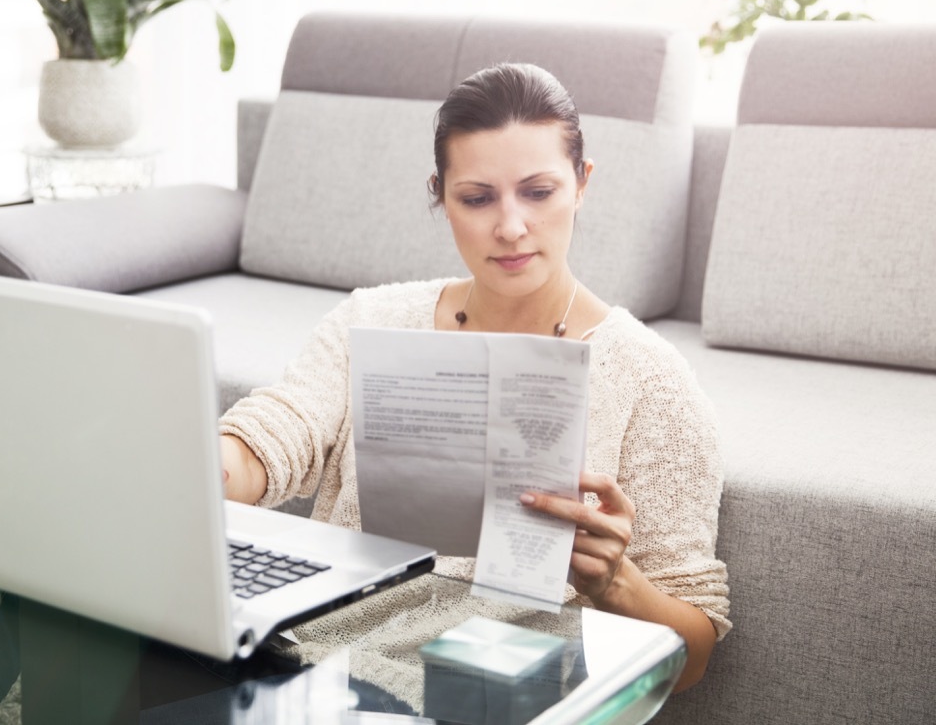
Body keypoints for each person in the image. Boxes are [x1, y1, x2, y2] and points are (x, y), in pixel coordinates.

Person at [218, 62, 730, 695]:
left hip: (499, 694)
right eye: (478, 197)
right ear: (441, 194)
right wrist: (213, 465)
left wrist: (614, 580)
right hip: (319, 675)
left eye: (538, 192)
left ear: (581, 183)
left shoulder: (651, 381)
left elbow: (696, 655)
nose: (510, 227)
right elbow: (281, 430)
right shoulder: (373, 319)